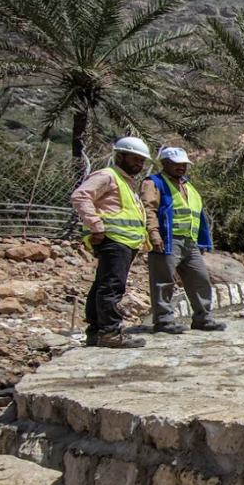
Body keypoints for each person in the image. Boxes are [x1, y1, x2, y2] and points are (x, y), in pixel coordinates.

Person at [69, 136, 155, 349]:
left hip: (123, 243)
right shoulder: (108, 176)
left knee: (102, 285)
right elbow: (80, 196)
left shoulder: (125, 182)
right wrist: (96, 225)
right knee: (110, 288)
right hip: (115, 242)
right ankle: (110, 333)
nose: (138, 163)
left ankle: (96, 331)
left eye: (141, 160)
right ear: (119, 156)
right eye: (134, 158)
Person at [141, 147, 226, 334]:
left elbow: (196, 215)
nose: (181, 167)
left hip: (190, 242)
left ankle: (202, 318)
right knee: (163, 281)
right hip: (167, 240)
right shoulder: (154, 183)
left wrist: (202, 241)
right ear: (164, 163)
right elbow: (149, 210)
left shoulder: (188, 186)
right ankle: (163, 321)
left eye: (183, 164)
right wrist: (153, 234)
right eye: (176, 163)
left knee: (200, 278)